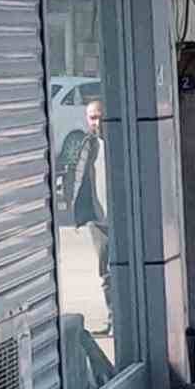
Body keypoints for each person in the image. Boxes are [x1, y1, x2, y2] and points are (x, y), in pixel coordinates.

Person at [70, 98, 114, 337]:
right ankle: (112, 320)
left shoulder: (120, 142)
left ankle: (124, 320)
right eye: (92, 117)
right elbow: (77, 178)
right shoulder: (89, 145)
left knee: (122, 271)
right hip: (99, 221)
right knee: (106, 274)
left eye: (99, 116)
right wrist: (80, 213)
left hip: (121, 220)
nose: (97, 121)